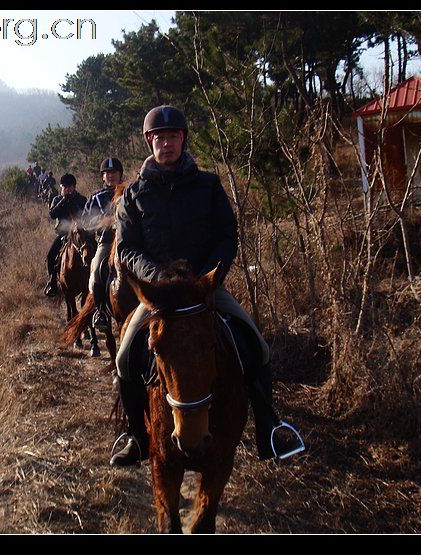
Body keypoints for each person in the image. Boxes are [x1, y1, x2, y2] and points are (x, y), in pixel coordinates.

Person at [110, 105, 304, 467]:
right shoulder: (133, 194)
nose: (165, 144)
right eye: (159, 138)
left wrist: (208, 278)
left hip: (204, 291)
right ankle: (137, 437)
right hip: (158, 297)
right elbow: (126, 248)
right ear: (149, 142)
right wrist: (157, 278)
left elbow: (226, 235)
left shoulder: (208, 185)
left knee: (256, 347)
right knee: (124, 358)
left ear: (182, 140)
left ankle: (269, 429)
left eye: (172, 137)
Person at [83, 157, 124, 331]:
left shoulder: (129, 192)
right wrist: (101, 221)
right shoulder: (95, 197)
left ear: (120, 174)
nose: (111, 176)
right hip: (107, 241)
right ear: (102, 177)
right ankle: (100, 311)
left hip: (129, 240)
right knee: (98, 270)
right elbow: (85, 222)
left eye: (114, 172)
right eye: (107, 173)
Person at [44, 174, 88, 298]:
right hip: (63, 234)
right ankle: (52, 281)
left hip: (79, 233)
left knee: (90, 251)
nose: (68, 189)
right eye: (65, 187)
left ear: (74, 187)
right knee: (51, 255)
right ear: (61, 187)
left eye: (70, 187)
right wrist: (64, 200)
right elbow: (52, 214)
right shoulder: (57, 200)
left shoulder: (81, 199)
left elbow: (85, 215)